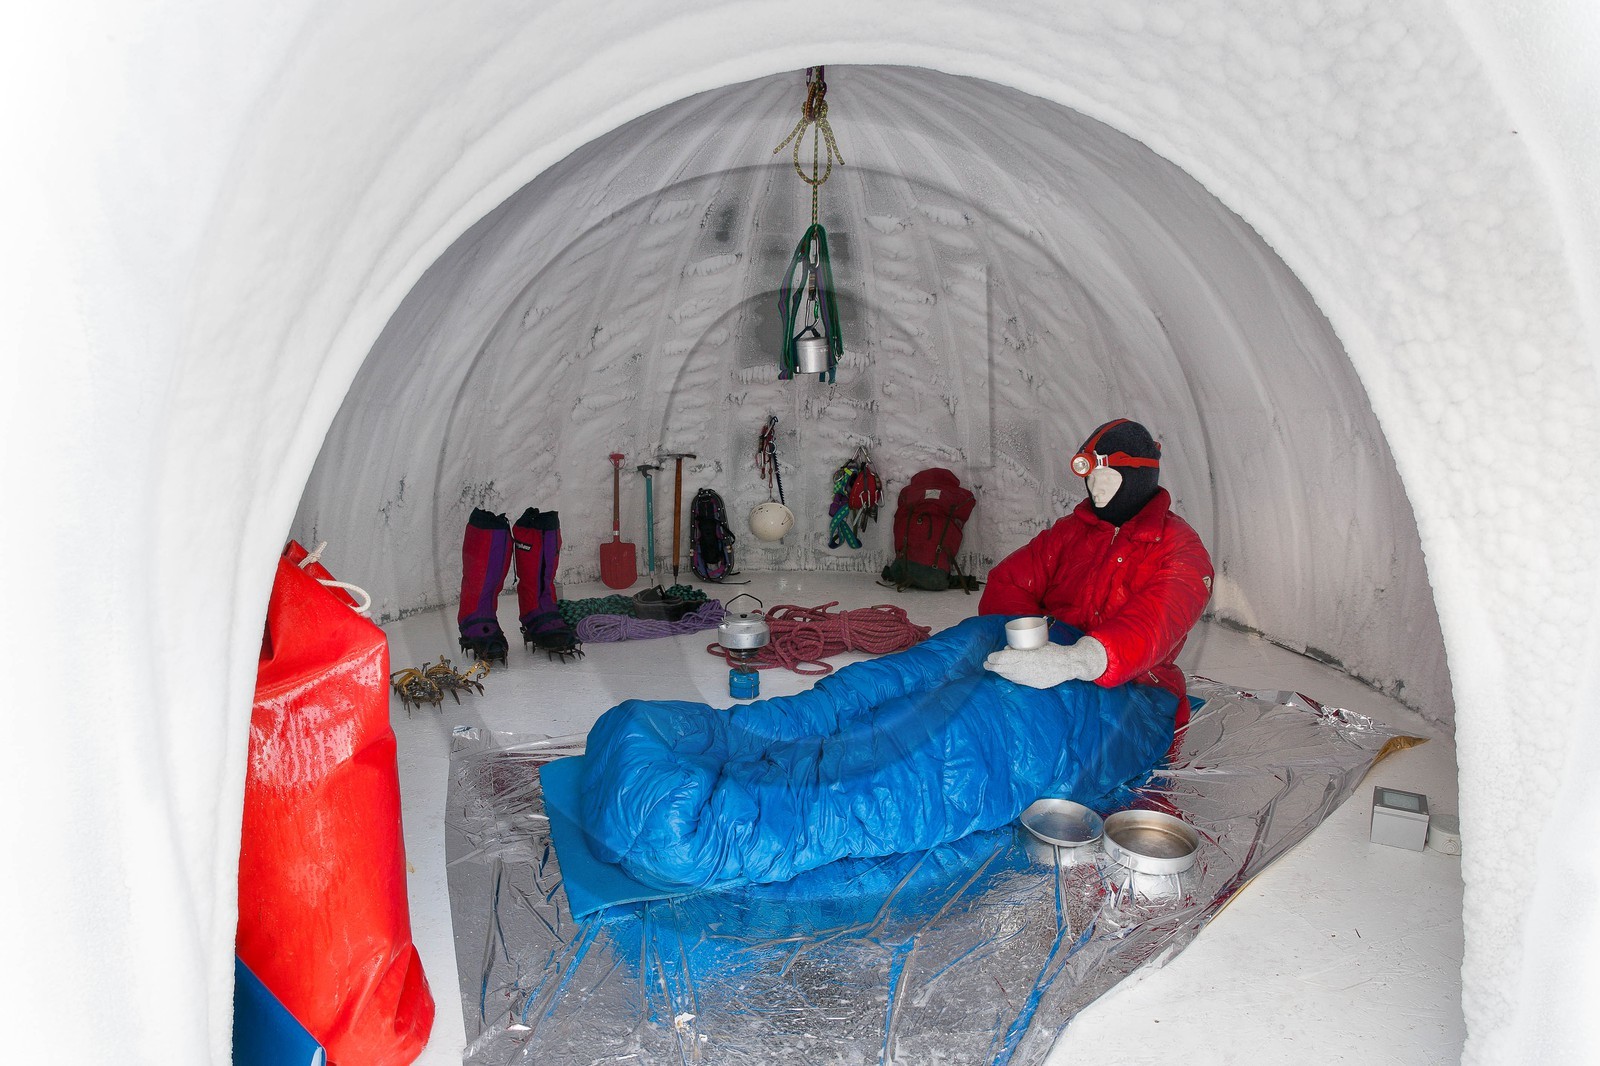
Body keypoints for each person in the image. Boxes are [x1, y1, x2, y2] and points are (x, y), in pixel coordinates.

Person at [980, 418, 1213, 733]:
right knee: (951, 664)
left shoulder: (1179, 549)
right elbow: (1009, 581)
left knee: (996, 732)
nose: (1095, 488)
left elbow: (1154, 622)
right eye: (1090, 477)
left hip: (1136, 689)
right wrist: (1030, 641)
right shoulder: (1071, 532)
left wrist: (1076, 661)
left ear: (1138, 479)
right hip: (1053, 659)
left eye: (1107, 477)